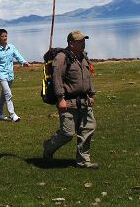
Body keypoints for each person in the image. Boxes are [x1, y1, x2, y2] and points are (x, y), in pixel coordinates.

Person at [42, 30, 98, 169]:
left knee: (88, 129)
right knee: (67, 133)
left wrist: (91, 94)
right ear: (71, 43)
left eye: (83, 40)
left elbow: (88, 77)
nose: (83, 43)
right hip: (68, 102)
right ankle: (49, 147)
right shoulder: (61, 58)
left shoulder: (83, 57)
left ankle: (83, 161)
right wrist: (60, 98)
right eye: (80, 41)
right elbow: (57, 79)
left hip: (84, 102)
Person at [0, 28, 30, 122]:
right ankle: (13, 115)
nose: (4, 38)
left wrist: (23, 62)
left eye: (6, 36)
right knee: (8, 94)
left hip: (10, 75)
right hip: (1, 75)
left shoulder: (12, 47)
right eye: (2, 36)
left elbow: (17, 55)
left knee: (4, 95)